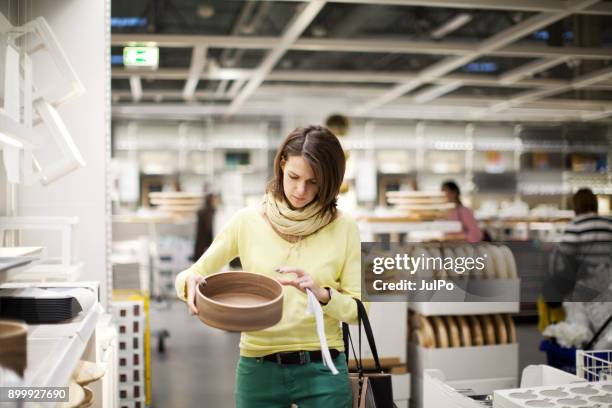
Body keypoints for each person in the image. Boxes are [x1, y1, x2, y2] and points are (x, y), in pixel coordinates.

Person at [175, 125, 360, 407]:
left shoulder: (345, 227)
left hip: (323, 368)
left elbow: (360, 310)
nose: (301, 190)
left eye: (314, 182)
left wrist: (322, 295)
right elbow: (190, 275)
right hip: (258, 366)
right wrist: (189, 285)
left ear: (330, 181)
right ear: (282, 164)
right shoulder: (247, 220)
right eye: (294, 177)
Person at [193, 192, 219, 261]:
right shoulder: (207, 213)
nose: (216, 202)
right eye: (215, 200)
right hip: (205, 245)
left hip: (202, 245)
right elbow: (208, 230)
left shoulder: (204, 212)